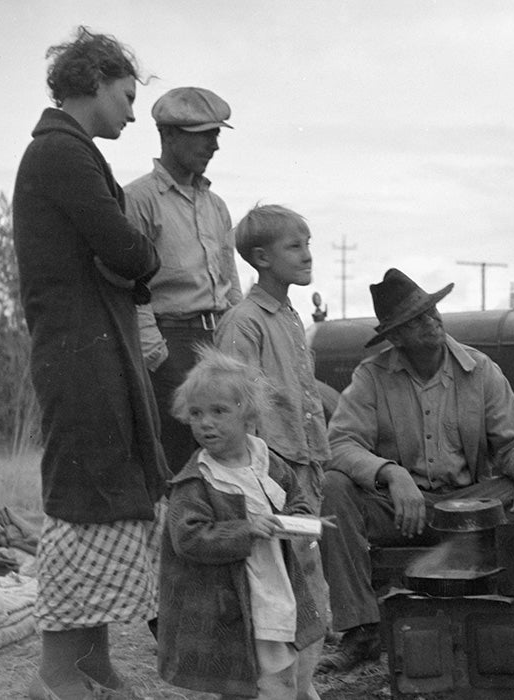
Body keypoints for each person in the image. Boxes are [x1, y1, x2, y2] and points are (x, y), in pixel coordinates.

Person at [12, 26, 167, 700]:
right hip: (80, 352)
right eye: (127, 96)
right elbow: (133, 254)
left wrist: (127, 259)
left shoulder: (73, 153)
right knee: (84, 497)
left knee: (105, 487)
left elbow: (124, 258)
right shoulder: (60, 155)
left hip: (94, 344)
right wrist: (133, 258)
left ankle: (92, 663)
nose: (134, 113)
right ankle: (55, 674)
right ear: (95, 82)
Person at [318, 268, 514, 673]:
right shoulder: (371, 377)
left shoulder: (480, 369)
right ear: (396, 336)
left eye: (432, 310)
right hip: (402, 510)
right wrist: (391, 473)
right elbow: (338, 444)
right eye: (416, 319)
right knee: (333, 488)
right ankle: (361, 632)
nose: (432, 321)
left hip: (468, 509)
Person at [158, 347, 325, 699]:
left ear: (248, 417)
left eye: (219, 411)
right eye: (197, 413)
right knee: (259, 679)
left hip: (278, 585)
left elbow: (294, 498)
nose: (205, 422)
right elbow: (188, 537)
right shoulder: (197, 481)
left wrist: (300, 520)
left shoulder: (267, 460)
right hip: (235, 600)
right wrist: (244, 529)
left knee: (287, 670)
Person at [214, 204, 330, 700]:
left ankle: (302, 688)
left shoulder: (288, 315)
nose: (307, 255)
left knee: (307, 585)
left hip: (304, 465)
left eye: (308, 244)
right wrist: (264, 476)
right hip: (272, 475)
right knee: (278, 587)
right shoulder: (245, 321)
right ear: (261, 258)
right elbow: (236, 404)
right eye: (294, 246)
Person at [124, 85, 242, 474]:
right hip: (169, 342)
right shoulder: (139, 200)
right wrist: (157, 356)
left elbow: (230, 280)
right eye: (204, 136)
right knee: (177, 461)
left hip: (218, 342)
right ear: (169, 135)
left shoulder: (216, 205)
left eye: (217, 135)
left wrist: (236, 344)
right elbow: (129, 286)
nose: (214, 146)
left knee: (226, 460)